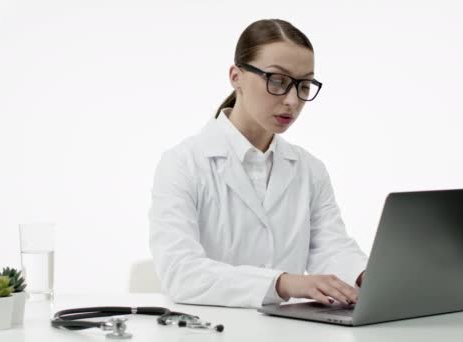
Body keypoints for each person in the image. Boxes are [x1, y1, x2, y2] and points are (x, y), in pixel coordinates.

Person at [149, 19, 367, 309]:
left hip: (286, 330)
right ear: (236, 76)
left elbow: (331, 247)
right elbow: (181, 273)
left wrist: (367, 277)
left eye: (304, 85)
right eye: (277, 80)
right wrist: (283, 282)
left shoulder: (309, 169)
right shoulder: (182, 163)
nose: (292, 100)